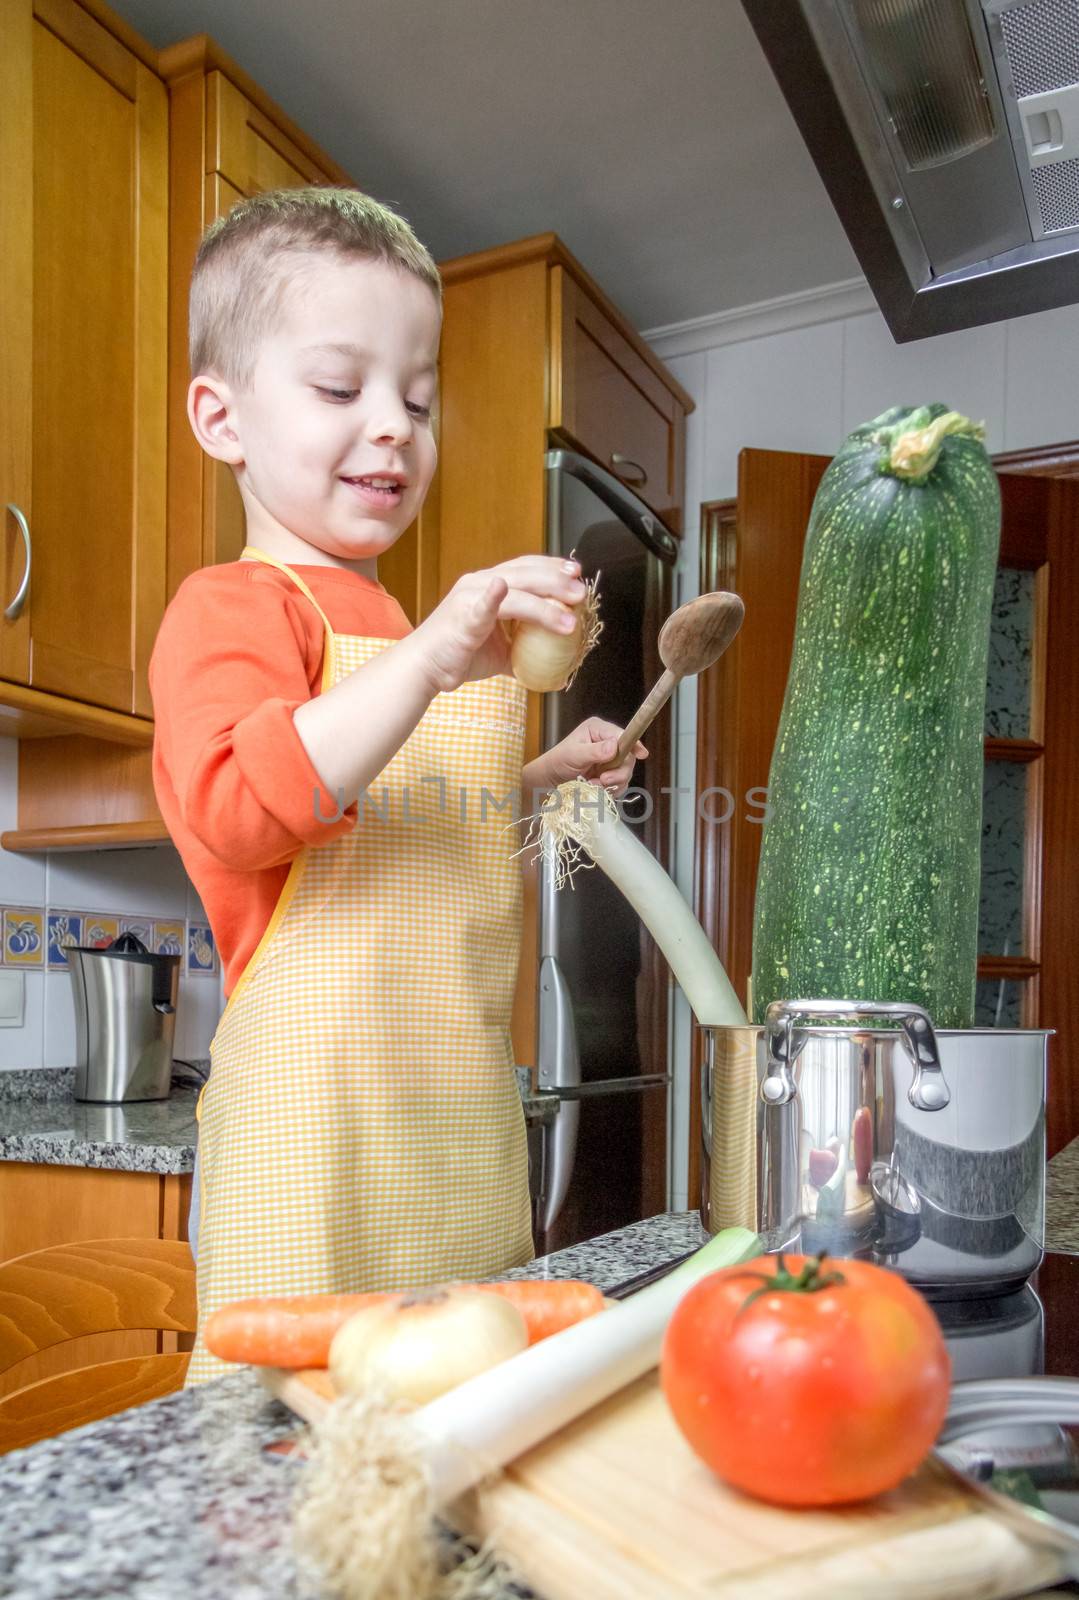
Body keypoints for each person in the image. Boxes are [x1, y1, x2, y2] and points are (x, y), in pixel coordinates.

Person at [149, 187, 646, 1381]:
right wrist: (432, 656)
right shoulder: (231, 607)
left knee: (455, 1424)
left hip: (454, 1124)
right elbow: (239, 805)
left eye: (416, 400)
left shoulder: (392, 626)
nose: (393, 428)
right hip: (317, 1145)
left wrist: (537, 775)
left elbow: (409, 823)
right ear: (221, 418)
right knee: (299, 1460)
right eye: (340, 388)